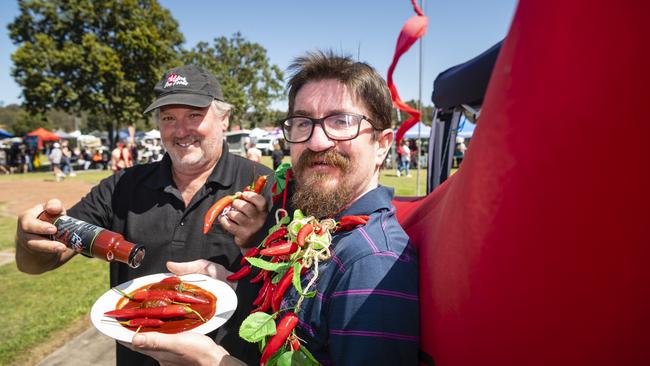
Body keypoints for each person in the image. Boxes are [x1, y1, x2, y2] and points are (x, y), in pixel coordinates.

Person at [127, 51, 419, 365]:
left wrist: (212, 362)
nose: (317, 141)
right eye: (302, 122)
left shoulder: (371, 263)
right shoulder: (329, 229)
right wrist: (233, 281)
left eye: (341, 121)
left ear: (383, 144)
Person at [14, 64, 274, 365]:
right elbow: (41, 261)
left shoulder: (264, 185)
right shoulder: (121, 186)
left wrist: (255, 243)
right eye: (168, 118)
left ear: (224, 120)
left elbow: (294, 292)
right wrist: (28, 239)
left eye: (194, 115)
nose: (180, 131)